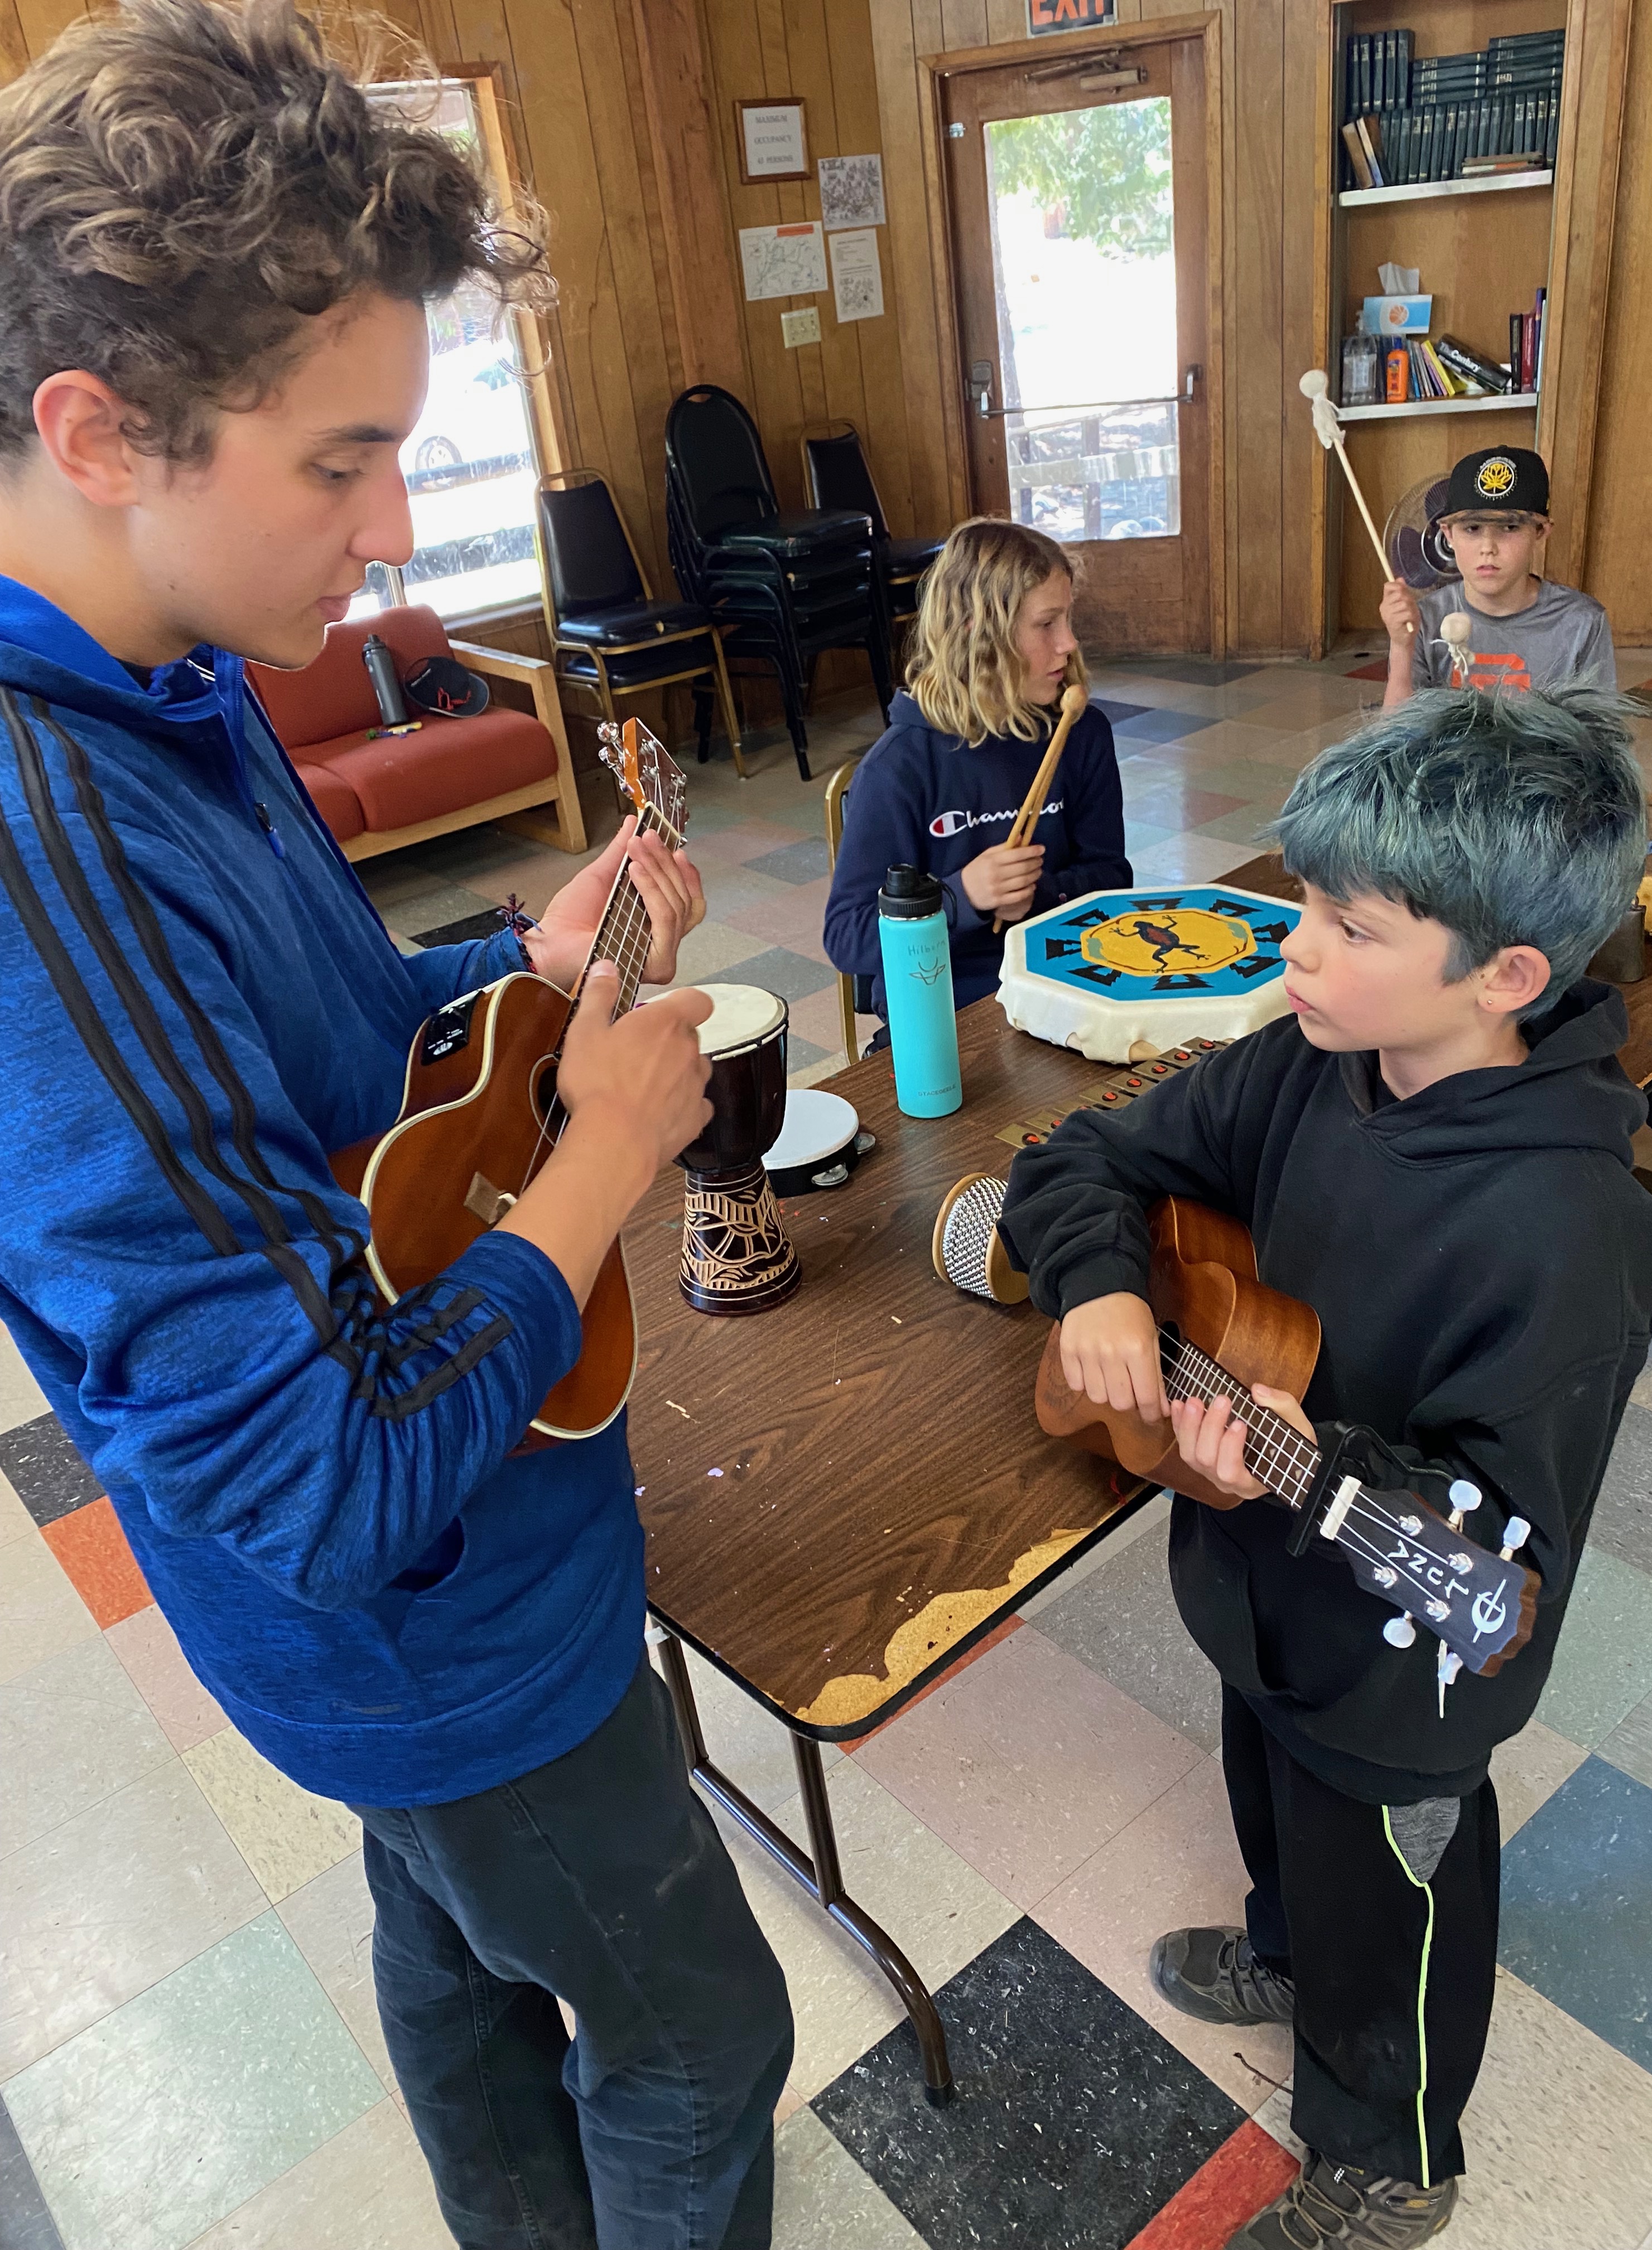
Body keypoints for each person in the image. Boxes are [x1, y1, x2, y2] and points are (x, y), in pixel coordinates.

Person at [0, 5, 792, 2246]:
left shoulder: (162, 671)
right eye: (341, 463)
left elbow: (319, 1061)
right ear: (98, 427)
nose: (392, 531)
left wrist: (517, 966)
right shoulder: (42, 839)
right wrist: (604, 1162)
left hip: (442, 1613)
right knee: (701, 2040)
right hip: (434, 1631)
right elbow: (321, 1478)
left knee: (461, 1969)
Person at [997, 684, 1652, 2250]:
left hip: (1401, 1672)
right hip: (1262, 1591)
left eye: (1349, 926)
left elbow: (1492, 1580)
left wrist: (1330, 1467)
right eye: (1306, 899)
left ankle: (1393, 2153)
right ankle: (1289, 1948)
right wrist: (1100, 1289)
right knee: (1275, 1796)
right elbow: (1081, 1155)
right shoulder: (1315, 1059)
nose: (1294, 946)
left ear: (1505, 976)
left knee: (1394, 1901)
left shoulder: (1571, 1236)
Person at [823, 516, 1130, 1027]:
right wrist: (961, 898)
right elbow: (848, 937)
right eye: (1046, 624)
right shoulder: (899, 767)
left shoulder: (1081, 731)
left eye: (1067, 619)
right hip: (945, 1010)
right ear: (976, 630)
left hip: (1066, 988)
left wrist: (1039, 894)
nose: (1069, 643)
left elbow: (1112, 878)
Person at [1379, 446, 1616, 706]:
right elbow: (1398, 728)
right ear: (1448, 534)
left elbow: (1597, 727)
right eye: (1472, 528)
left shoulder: (1581, 623)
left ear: (1540, 531)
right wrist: (1401, 647)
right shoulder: (1423, 620)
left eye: (1509, 527)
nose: (1488, 548)